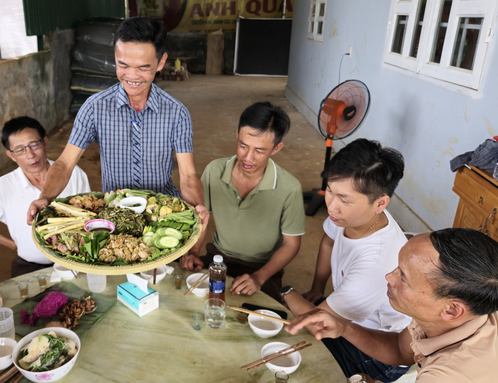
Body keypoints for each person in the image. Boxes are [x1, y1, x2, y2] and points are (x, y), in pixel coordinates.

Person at [26, 17, 208, 232]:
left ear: (160, 62)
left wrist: (198, 206)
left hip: (162, 215)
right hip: (114, 215)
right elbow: (65, 163)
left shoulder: (177, 113)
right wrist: (45, 198)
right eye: (123, 65)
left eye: (143, 68)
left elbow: (188, 175)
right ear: (115, 57)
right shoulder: (94, 108)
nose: (131, 76)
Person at [287, 229, 498, 383]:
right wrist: (344, 327)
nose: (389, 276)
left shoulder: (448, 375)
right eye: (398, 267)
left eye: (404, 277)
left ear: (452, 310)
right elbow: (401, 350)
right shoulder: (453, 310)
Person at [281, 139, 412, 382]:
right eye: (330, 190)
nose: (332, 206)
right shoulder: (349, 215)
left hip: (378, 351)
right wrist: (316, 288)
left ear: (380, 203)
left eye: (345, 199)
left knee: (289, 358)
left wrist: (284, 292)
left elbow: (316, 324)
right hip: (348, 317)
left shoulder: (377, 264)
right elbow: (329, 241)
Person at [179, 102, 305, 302]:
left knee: (260, 313)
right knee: (182, 295)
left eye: (259, 151)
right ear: (237, 134)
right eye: (243, 146)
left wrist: (259, 277)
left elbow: (291, 244)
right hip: (218, 258)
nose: (248, 157)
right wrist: (194, 251)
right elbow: (201, 218)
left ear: (276, 148)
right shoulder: (214, 170)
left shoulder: (290, 187)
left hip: (262, 267)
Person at [0, 116, 90, 277]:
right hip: (29, 267)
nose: (30, 155)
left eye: (34, 145)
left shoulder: (74, 174)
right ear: (11, 155)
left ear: (45, 142)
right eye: (20, 150)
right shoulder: (1, 188)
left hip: (74, 260)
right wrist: (13, 245)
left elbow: (89, 215)